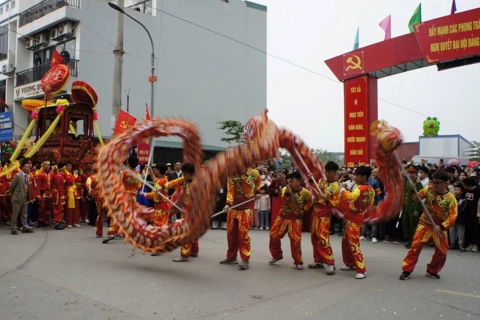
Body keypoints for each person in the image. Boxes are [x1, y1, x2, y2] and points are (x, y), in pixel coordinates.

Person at [399, 172, 458, 280]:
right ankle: (407, 269)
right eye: (434, 182)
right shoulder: (428, 190)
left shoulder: (450, 198)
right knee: (415, 247)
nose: (434, 185)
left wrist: (441, 227)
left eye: (438, 183)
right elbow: (416, 198)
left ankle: (432, 270)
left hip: (439, 227)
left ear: (446, 183)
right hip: (425, 224)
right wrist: (413, 190)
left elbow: (453, 216)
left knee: (442, 251)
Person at [219, 166, 261, 270]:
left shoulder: (254, 173)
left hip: (247, 206)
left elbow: (258, 184)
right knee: (231, 232)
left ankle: (245, 258)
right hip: (233, 206)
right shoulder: (231, 173)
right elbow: (231, 190)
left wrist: (258, 192)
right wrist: (228, 203)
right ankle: (232, 257)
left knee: (243, 233)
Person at [268, 171, 313, 270]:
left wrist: (303, 210)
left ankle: (298, 261)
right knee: (273, 236)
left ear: (298, 181)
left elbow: (309, 203)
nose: (289, 183)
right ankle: (277, 255)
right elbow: (284, 199)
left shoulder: (306, 193)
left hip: (295, 219)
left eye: (292, 181)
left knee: (295, 241)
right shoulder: (285, 189)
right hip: (283, 217)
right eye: (288, 181)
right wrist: (288, 193)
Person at [339, 166, 375, 280]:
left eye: (357, 175)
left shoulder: (360, 189)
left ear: (364, 176)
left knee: (354, 244)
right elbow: (370, 205)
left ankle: (361, 269)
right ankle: (350, 264)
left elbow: (350, 197)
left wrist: (342, 189)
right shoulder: (371, 189)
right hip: (356, 216)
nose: (354, 177)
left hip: (354, 218)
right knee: (346, 242)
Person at [308, 161, 340, 275]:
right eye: (326, 171)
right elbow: (316, 192)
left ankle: (330, 262)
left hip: (325, 214)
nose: (327, 173)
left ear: (335, 172)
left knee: (323, 237)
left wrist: (326, 199)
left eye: (329, 172)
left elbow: (336, 203)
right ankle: (318, 260)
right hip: (315, 212)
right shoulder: (321, 181)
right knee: (314, 237)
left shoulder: (336, 186)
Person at [162, 163, 198, 262]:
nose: (182, 174)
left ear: (188, 173)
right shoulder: (185, 180)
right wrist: (164, 187)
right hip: (186, 208)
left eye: (183, 173)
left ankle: (185, 254)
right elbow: (175, 184)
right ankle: (194, 251)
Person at [103, 156, 142, 244]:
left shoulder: (124, 172)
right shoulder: (138, 175)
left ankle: (112, 232)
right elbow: (139, 186)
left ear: (128, 162)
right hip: (134, 198)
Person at [402, 164, 424, 249]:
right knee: (406, 224)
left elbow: (419, 197)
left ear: (416, 173)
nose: (410, 174)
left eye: (412, 173)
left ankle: (414, 242)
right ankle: (410, 240)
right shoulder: (408, 181)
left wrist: (417, 209)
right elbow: (406, 194)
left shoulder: (418, 183)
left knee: (413, 226)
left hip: (413, 207)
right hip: (407, 206)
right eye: (409, 173)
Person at [10, 159, 34, 235]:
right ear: (22, 167)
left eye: (28, 167)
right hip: (18, 197)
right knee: (15, 213)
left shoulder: (27, 176)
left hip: (25, 197)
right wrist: (15, 194)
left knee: (24, 213)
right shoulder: (17, 176)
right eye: (26, 167)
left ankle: (24, 227)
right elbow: (11, 186)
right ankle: (13, 228)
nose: (28, 168)